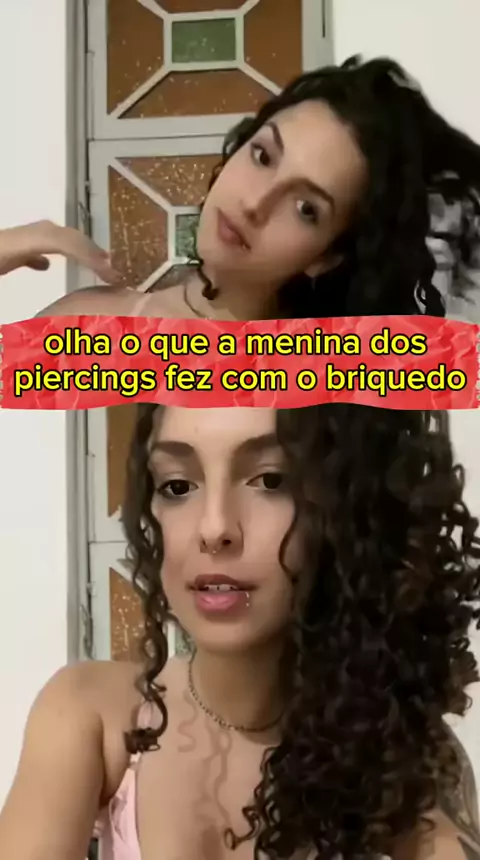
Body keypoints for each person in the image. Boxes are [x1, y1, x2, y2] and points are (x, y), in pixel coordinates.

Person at [1, 402, 479, 859]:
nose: (214, 528)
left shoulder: (405, 761)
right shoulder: (91, 715)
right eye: (177, 486)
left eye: (271, 481)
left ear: (349, 509)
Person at [2, 56, 480, 323]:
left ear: (328, 257)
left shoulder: (324, 389)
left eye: (305, 208)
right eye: (263, 156)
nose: (254, 203)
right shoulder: (100, 326)